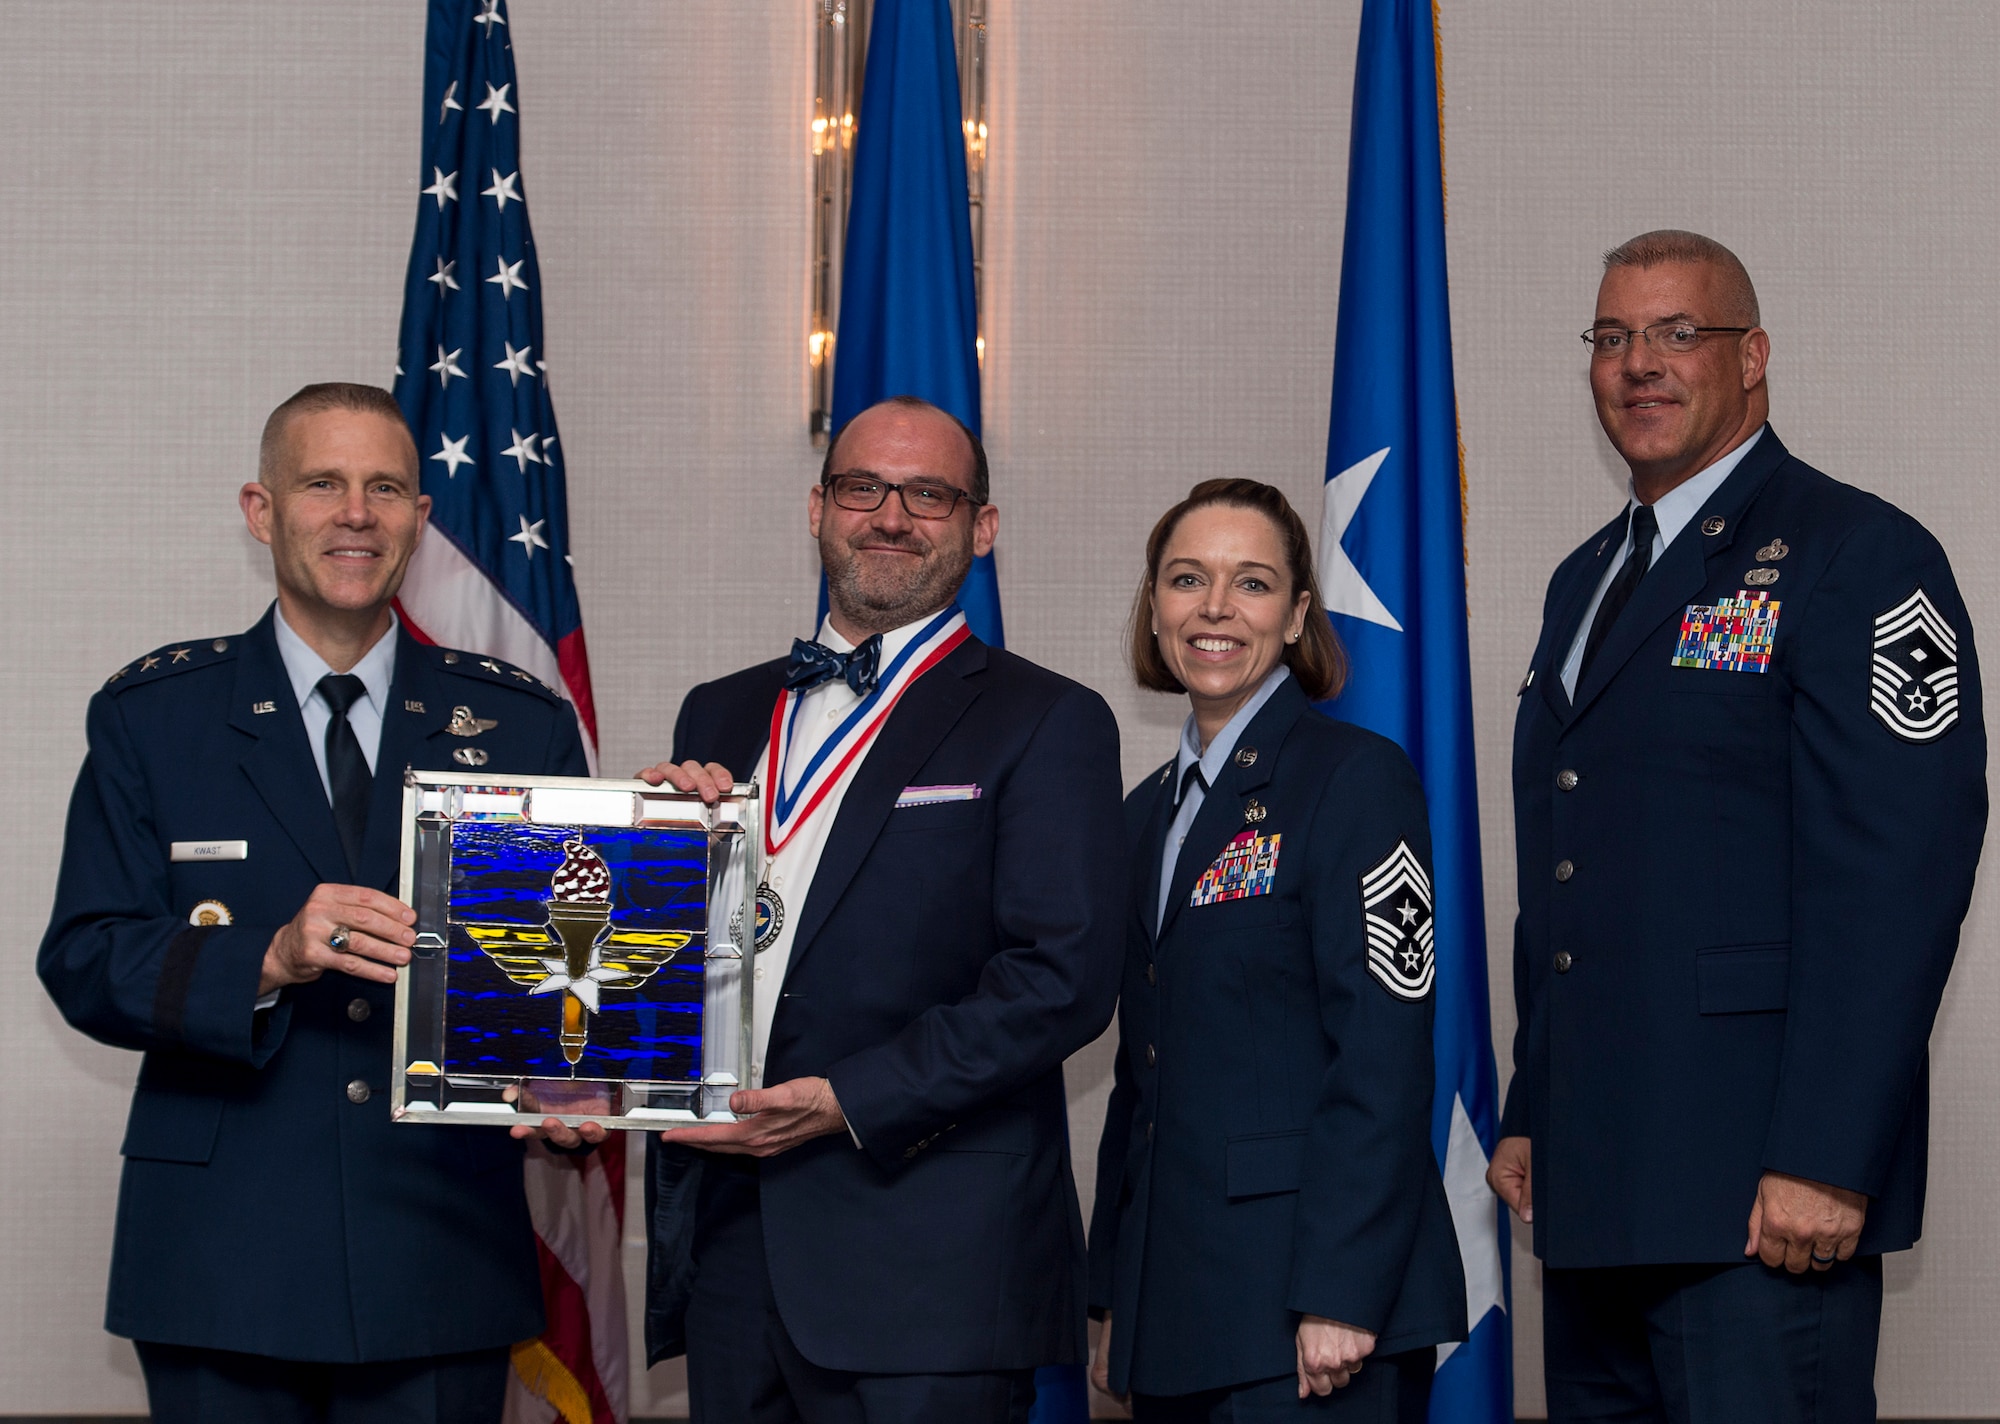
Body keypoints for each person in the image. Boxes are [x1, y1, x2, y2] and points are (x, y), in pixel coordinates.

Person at [1491, 231, 1987, 1422]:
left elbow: (1896, 874)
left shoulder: (1855, 554)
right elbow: (1571, 866)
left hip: (1759, 1199)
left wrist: (1824, 1152)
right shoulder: (1585, 579)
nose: (1637, 364)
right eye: (1610, 337)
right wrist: (1530, 1102)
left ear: (1750, 356)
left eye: (1676, 332)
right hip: (1599, 1181)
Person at [39, 383, 598, 1423]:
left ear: (419, 521)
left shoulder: (520, 726)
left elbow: (561, 971)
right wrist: (268, 956)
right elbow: (83, 957)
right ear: (262, 510)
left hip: (436, 1251)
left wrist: (569, 1087)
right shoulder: (156, 718)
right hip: (219, 1252)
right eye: (323, 484)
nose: (356, 512)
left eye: (385, 487)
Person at [637, 395, 1126, 1424]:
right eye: (863, 487)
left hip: (931, 1267)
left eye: (930, 494)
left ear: (980, 526)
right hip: (735, 1253)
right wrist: (647, 866)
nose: (890, 516)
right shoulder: (715, 709)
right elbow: (678, 958)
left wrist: (848, 1096)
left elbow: (1060, 978)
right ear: (818, 506)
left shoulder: (1046, 718)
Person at [1086, 479, 1466, 1421]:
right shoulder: (1141, 817)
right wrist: (1109, 1297)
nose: (1214, 609)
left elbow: (1382, 1053)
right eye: (1186, 580)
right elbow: (1143, 1079)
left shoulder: (1355, 780)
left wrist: (1341, 1288)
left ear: (1298, 615)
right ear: (1156, 606)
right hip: (1176, 1312)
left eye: (1251, 584)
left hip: (1317, 1313)